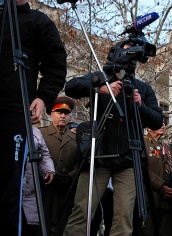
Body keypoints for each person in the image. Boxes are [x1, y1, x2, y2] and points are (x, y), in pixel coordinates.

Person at [63, 40, 163, 236]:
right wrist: (99, 88)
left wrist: (140, 105)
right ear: (116, 53)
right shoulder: (101, 77)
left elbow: (157, 120)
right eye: (128, 52)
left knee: (124, 217)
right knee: (83, 211)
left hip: (128, 159)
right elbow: (71, 86)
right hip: (99, 156)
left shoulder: (143, 88)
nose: (132, 57)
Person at [0, 0, 66, 234]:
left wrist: (43, 97)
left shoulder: (38, 21)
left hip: (14, 110)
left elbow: (56, 64)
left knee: (9, 186)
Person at [40, 96, 78, 236]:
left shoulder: (75, 138)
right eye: (59, 112)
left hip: (66, 190)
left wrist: (70, 176)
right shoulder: (40, 134)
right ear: (51, 114)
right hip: (44, 188)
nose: (63, 116)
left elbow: (80, 162)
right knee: (43, 223)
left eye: (66, 113)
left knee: (63, 225)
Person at [137, 123, 172, 236]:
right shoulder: (142, 142)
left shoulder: (167, 148)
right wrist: (161, 186)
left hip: (167, 202)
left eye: (163, 122)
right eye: (157, 123)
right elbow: (142, 169)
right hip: (149, 200)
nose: (162, 125)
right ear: (149, 127)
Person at [22, 127, 55, 236]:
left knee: (31, 227)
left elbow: (43, 154)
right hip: (11, 188)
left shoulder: (35, 131)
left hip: (30, 189)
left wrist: (48, 169)